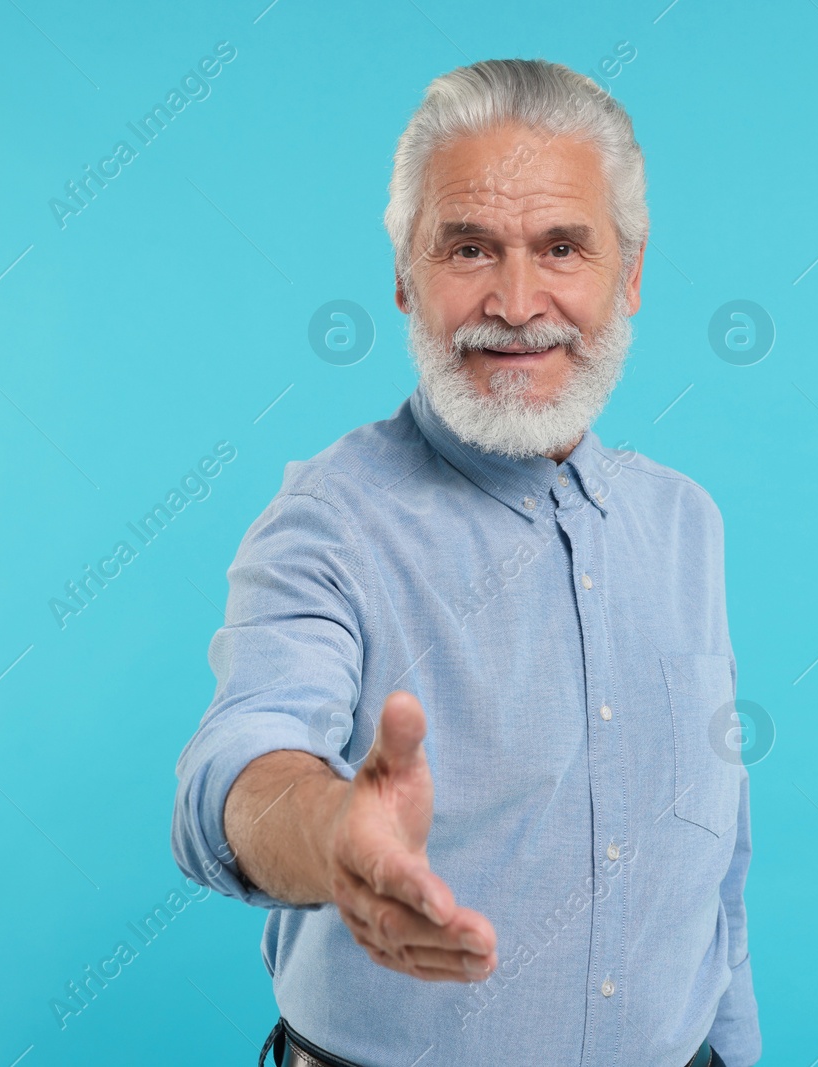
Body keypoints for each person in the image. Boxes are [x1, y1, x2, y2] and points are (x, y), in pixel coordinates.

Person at [171, 57, 759, 1067]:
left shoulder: (684, 521)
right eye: (471, 247)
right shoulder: (328, 520)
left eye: (562, 247)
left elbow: (715, 852)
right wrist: (333, 837)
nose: (519, 301)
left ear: (629, 272)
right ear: (404, 270)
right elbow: (238, 760)